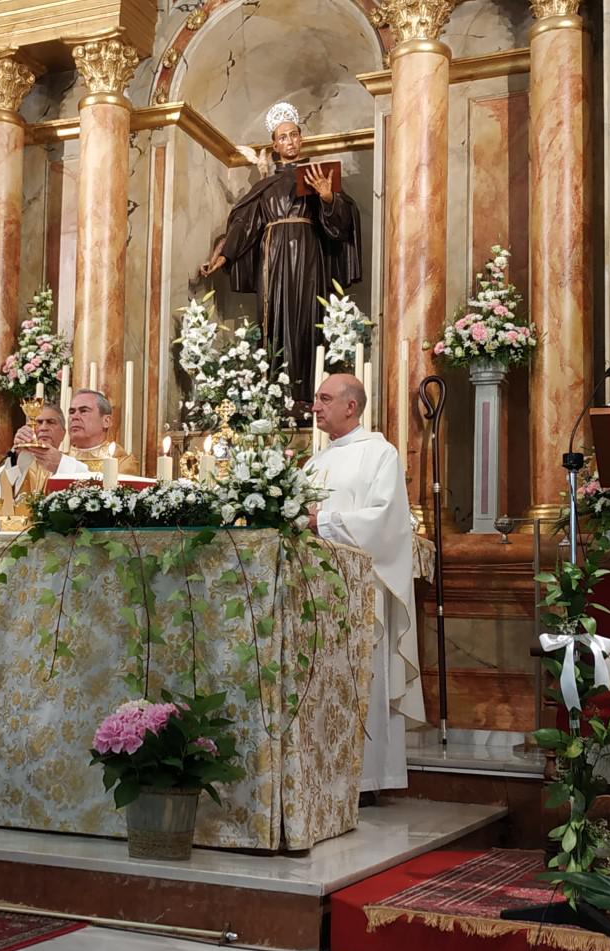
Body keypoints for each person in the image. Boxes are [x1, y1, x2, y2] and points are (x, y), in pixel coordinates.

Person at [307, 373, 424, 794]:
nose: (315, 407)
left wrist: (321, 520)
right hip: (316, 591)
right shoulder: (314, 461)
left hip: (362, 590)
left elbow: (385, 520)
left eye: (323, 399)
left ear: (350, 406)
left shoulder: (380, 454)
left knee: (364, 681)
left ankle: (366, 779)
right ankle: (323, 775)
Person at [200, 101, 361, 404]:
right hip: (272, 261)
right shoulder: (267, 186)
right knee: (273, 320)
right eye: (283, 137)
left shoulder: (317, 177)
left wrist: (327, 198)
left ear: (301, 138)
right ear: (274, 145)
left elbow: (341, 224)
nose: (289, 141)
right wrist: (223, 257)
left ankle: (306, 395)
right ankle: (275, 394)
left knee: (307, 319)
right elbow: (244, 225)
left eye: (294, 135)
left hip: (309, 258)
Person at [0, 404, 88, 499]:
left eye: (51, 422)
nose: (43, 428)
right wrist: (17, 459)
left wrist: (60, 464)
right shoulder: (12, 466)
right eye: (38, 422)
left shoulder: (74, 465)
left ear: (63, 433)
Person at [66, 390, 139, 475]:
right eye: (71, 412)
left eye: (84, 411)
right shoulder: (55, 461)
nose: (74, 417)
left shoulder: (122, 463)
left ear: (106, 421)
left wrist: (63, 465)